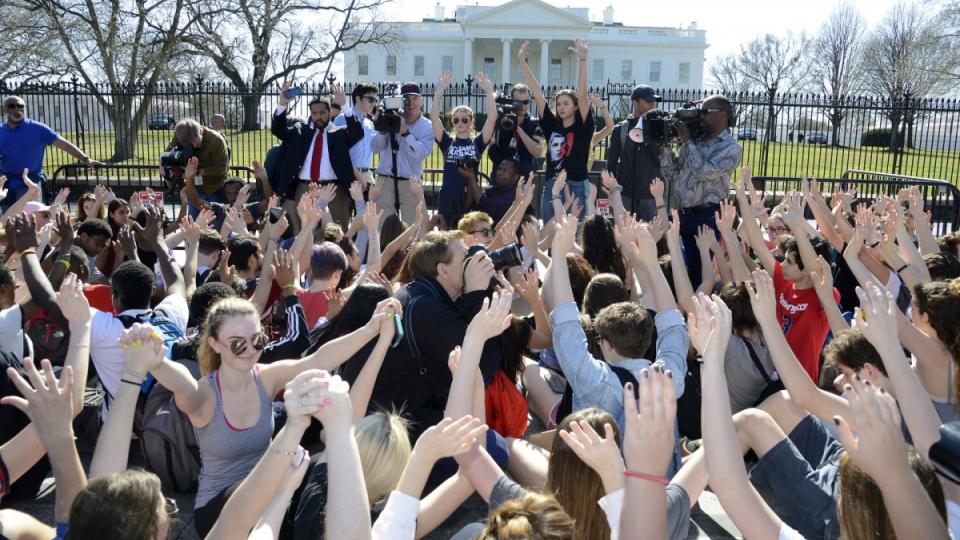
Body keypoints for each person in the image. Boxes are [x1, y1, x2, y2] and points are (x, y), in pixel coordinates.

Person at [659, 94, 741, 287]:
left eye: (705, 112)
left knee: (703, 271)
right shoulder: (696, 142)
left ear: (722, 114)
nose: (700, 117)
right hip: (685, 214)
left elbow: (705, 172)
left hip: (708, 215)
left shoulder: (731, 147)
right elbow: (673, 172)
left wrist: (688, 143)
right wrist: (665, 145)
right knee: (684, 268)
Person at [518, 39, 593, 223]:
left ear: (576, 107)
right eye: (558, 104)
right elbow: (536, 93)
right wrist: (523, 64)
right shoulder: (552, 125)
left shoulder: (583, 125)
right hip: (552, 184)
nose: (561, 107)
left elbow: (582, 95)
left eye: (566, 103)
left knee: (574, 233)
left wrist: (583, 61)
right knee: (550, 231)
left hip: (576, 185)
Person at [272, 82, 363, 232]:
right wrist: (282, 103)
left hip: (333, 190)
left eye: (322, 113)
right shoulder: (300, 131)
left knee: (335, 233)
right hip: (304, 188)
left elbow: (357, 133)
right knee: (302, 233)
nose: (318, 117)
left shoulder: (339, 134)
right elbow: (277, 129)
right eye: (314, 113)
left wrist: (345, 106)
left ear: (330, 113)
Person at [0, 96, 102, 209]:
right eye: (12, 106)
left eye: (20, 106)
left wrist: (86, 160)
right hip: (6, 184)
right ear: (5, 110)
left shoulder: (38, 129)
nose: (17, 109)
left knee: (31, 218)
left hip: (30, 184)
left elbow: (64, 144)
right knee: (6, 222)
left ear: (25, 109)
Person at [431, 71, 497, 228]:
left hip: (469, 197)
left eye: (464, 119)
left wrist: (489, 91)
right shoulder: (447, 142)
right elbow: (434, 118)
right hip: (447, 197)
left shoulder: (477, 143)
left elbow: (492, 119)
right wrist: (439, 92)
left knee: (468, 238)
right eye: (456, 120)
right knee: (446, 240)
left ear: (471, 122)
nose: (459, 123)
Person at [371, 82, 434, 225]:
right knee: (384, 228)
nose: (411, 103)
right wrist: (382, 129)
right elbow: (374, 148)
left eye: (415, 98)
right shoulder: (389, 117)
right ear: (400, 101)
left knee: (413, 229)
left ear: (422, 101)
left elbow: (422, 154)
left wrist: (405, 133)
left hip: (410, 182)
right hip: (385, 180)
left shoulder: (427, 126)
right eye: (406, 99)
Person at [605, 85, 664, 220]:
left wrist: (653, 131)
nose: (653, 104)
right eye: (648, 101)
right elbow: (611, 165)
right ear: (635, 102)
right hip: (625, 195)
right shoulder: (620, 129)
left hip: (650, 195)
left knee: (652, 237)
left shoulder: (660, 128)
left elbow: (662, 160)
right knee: (624, 235)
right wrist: (611, 193)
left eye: (654, 101)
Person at [166, 118, 230, 210]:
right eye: (190, 144)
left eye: (198, 142)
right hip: (193, 187)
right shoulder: (179, 137)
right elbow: (167, 157)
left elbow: (222, 169)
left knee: (214, 218)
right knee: (194, 221)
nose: (195, 146)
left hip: (213, 186)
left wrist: (198, 172)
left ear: (200, 131)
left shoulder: (216, 140)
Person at [486, 83, 544, 178]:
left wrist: (517, 128)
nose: (522, 106)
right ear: (511, 101)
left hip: (524, 178)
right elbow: (492, 150)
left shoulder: (536, 123)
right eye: (518, 102)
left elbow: (537, 152)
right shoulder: (501, 120)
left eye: (526, 102)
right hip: (501, 177)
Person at [333, 82, 379, 187]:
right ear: (358, 99)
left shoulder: (370, 124)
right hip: (347, 174)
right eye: (370, 99)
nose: (373, 103)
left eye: (375, 100)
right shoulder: (341, 119)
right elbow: (335, 151)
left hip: (367, 175)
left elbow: (376, 150)